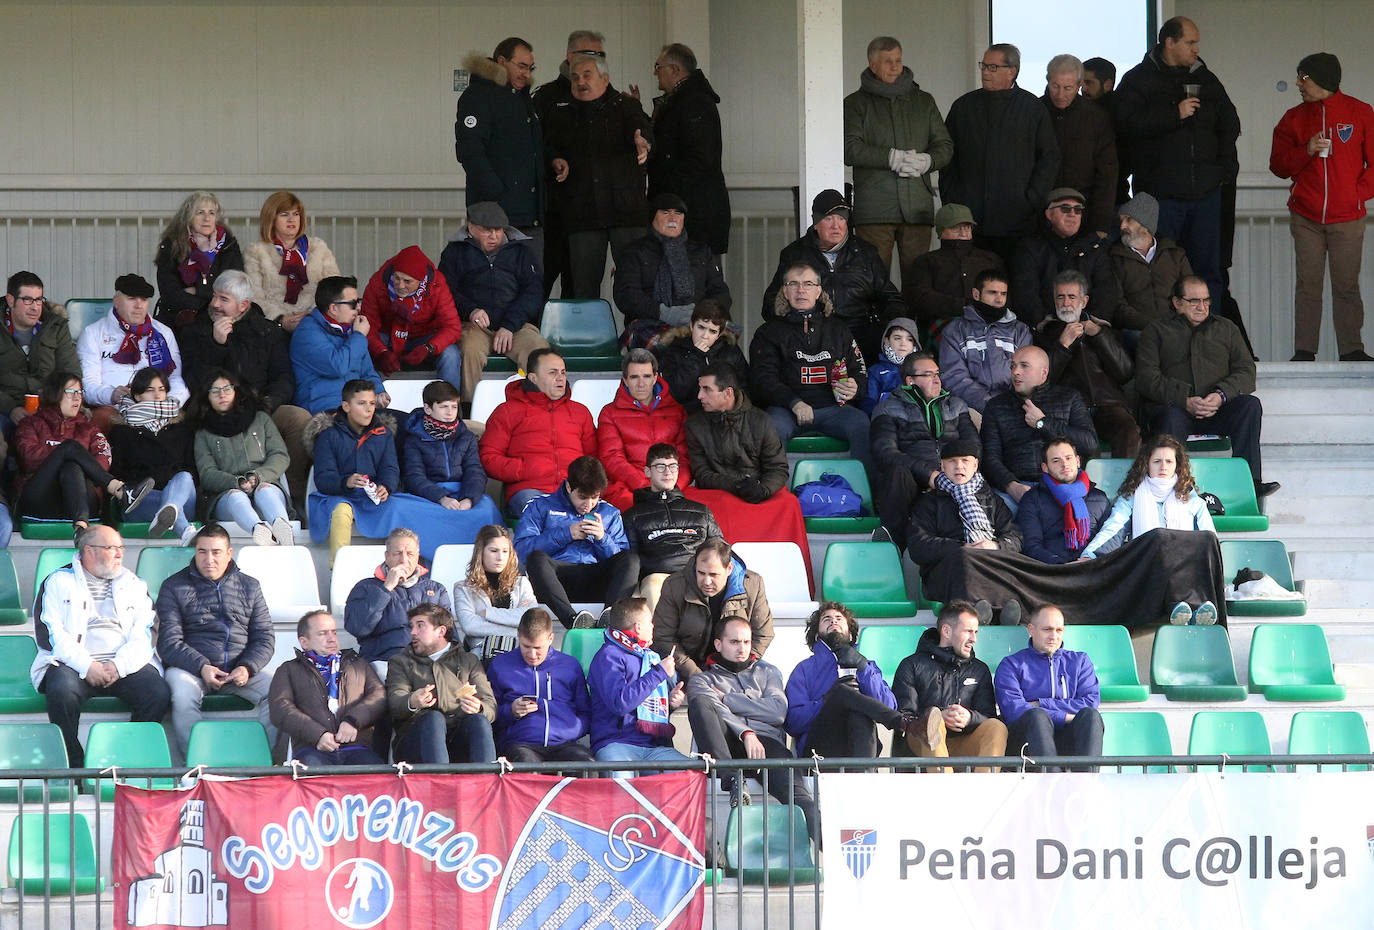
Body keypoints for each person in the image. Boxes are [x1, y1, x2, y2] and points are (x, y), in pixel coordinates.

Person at [1114, 16, 1240, 302]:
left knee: (1208, 272)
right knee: (1161, 271)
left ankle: (1211, 342)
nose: (1197, 49)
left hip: (1205, 195)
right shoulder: (1138, 80)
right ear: (1169, 42)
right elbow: (1124, 125)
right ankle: (1167, 342)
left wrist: (1222, 172)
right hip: (1161, 197)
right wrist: (1173, 115)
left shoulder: (1206, 79)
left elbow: (1230, 125)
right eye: (1190, 42)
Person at [32, 525, 170, 766]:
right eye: (111, 548)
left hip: (123, 665)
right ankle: (73, 765)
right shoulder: (57, 582)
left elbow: (146, 633)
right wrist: (87, 665)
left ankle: (124, 759)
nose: (119, 554)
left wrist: (118, 666)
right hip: (74, 665)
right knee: (61, 690)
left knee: (157, 693)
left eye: (121, 548)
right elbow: (51, 635)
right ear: (89, 550)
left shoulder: (135, 584)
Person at [1269, 52, 1374, 361]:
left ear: (1323, 80)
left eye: (1304, 78)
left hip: (1348, 217)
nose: (1299, 84)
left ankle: (1352, 350)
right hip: (1306, 216)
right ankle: (1304, 351)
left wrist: (1357, 194)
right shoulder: (1293, 118)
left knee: (1346, 285)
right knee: (1308, 285)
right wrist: (1307, 149)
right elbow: (1277, 165)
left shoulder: (1361, 112)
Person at [1136, 276, 1279, 497]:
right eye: (1194, 301)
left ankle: (1250, 483)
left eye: (1206, 300)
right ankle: (1173, 487)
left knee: (1250, 405)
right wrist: (1185, 399)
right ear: (1177, 303)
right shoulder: (1156, 331)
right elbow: (1147, 378)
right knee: (1168, 418)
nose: (1202, 307)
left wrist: (1221, 395)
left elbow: (1246, 371)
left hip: (1217, 409)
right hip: (1176, 410)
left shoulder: (1226, 328)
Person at [179, 269, 312, 502]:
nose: (215, 304)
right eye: (214, 296)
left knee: (297, 418)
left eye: (224, 299)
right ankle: (213, 497)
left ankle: (294, 497)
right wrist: (217, 345)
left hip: (262, 408)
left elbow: (284, 378)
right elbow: (194, 380)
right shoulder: (195, 331)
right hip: (216, 409)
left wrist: (267, 404)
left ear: (243, 305)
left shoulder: (268, 332)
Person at [156, 523, 276, 760]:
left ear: (229, 553)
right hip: (190, 670)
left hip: (240, 671)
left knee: (279, 692)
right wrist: (202, 667)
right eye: (202, 551)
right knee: (182, 695)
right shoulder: (174, 586)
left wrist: (247, 667)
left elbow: (264, 637)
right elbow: (169, 642)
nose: (208, 559)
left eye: (216, 552)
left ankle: (261, 762)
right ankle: (196, 767)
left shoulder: (250, 586)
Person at [685, 616, 816, 830]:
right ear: (718, 644)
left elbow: (777, 712)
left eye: (746, 642)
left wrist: (728, 700)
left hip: (767, 746)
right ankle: (732, 778)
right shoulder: (702, 680)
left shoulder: (768, 671)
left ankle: (834, 852)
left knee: (800, 800)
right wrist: (746, 732)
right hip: (725, 745)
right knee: (700, 703)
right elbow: (711, 710)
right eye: (734, 642)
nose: (742, 648)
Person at [843, 35, 953, 287]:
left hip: (917, 208)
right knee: (874, 283)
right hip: (874, 209)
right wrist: (889, 157)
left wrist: (928, 160)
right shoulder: (855, 103)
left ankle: (913, 328)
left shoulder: (923, 101)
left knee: (919, 283)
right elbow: (849, 149)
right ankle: (877, 328)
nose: (895, 66)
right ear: (872, 65)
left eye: (898, 60)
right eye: (887, 61)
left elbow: (945, 146)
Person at [1079, 435, 1224, 624]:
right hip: (1148, 568)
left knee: (1202, 540)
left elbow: (1209, 539)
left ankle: (1193, 609)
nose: (1163, 466)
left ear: (1177, 466)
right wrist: (1089, 555)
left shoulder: (1191, 498)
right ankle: (1179, 604)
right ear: (1146, 464)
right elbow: (1113, 529)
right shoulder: (1132, 495)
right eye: (1157, 461)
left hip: (1186, 567)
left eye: (1168, 461)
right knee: (1159, 538)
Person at [543, 53, 654, 298]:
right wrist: (555, 159)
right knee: (583, 288)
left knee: (636, 285)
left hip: (626, 214)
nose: (580, 81)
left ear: (605, 79)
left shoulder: (626, 107)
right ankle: (586, 336)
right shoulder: (562, 114)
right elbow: (548, 146)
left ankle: (636, 335)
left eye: (587, 75)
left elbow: (643, 129)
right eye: (574, 77)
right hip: (583, 214)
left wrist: (641, 139)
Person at [941, 43, 1060, 268]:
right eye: (984, 66)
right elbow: (947, 156)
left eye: (993, 67)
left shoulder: (1032, 108)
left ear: (1012, 71)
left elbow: (1049, 158)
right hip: (970, 220)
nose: (985, 72)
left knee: (1016, 286)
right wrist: (954, 198)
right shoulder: (964, 107)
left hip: (1018, 222)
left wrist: (1031, 200)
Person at [751, 260, 871, 470]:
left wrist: (855, 387)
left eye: (808, 284)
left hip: (833, 409)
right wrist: (794, 402)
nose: (801, 290)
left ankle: (869, 495)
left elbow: (858, 370)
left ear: (818, 291)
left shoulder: (838, 329)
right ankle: (775, 495)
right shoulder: (768, 332)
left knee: (861, 423)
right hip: (786, 410)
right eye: (793, 284)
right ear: (785, 292)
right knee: (770, 427)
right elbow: (763, 380)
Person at [759, 190, 905, 360]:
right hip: (814, 336)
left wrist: (889, 328)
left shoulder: (866, 252)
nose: (836, 226)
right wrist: (799, 324)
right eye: (829, 219)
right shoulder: (794, 254)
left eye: (841, 219)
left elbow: (891, 297)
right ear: (816, 223)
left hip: (861, 333)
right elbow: (772, 303)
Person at [14, 370, 151, 538]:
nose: (77, 398)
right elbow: (28, 459)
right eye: (71, 392)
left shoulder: (90, 429)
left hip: (84, 500)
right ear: (54, 393)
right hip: (40, 500)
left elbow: (102, 463)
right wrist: (63, 452)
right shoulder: (30, 424)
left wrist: (71, 459)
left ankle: (80, 526)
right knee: (70, 448)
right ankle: (119, 489)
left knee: (72, 467)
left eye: (80, 392)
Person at [437, 201, 550, 402]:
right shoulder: (454, 253)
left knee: (539, 351)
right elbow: (445, 292)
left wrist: (509, 324)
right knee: (469, 351)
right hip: (473, 326)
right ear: (471, 228)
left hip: (515, 327)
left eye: (498, 230)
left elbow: (533, 293)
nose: (494, 236)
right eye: (487, 231)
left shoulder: (521, 251)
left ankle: (541, 410)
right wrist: (471, 310)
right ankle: (470, 412)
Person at [514, 455, 639, 630]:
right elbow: (522, 551)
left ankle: (611, 618)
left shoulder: (610, 513)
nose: (588, 504)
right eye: (582, 497)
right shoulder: (540, 506)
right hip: (556, 580)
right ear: (568, 486)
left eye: (594, 497)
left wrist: (602, 539)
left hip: (597, 579)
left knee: (631, 558)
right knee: (536, 558)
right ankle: (573, 621)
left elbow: (622, 562)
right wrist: (567, 534)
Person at [906, 438, 1024, 621]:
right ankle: (979, 612)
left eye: (965, 461)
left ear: (975, 465)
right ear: (942, 466)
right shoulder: (928, 503)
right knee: (965, 558)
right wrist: (962, 547)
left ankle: (998, 610)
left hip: (991, 562)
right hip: (948, 571)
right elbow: (918, 546)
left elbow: (1015, 536)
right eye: (952, 461)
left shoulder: (993, 501)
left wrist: (995, 546)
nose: (959, 466)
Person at [869, 351, 977, 547]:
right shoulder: (887, 409)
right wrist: (930, 476)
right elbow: (885, 453)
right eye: (929, 375)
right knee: (896, 472)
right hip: (911, 484)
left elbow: (973, 447)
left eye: (937, 374)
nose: (937, 380)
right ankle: (894, 544)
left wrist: (949, 475)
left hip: (954, 477)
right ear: (910, 381)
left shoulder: (957, 405)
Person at [455, 37, 546, 265]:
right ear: (502, 61)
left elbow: (531, 147)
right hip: (493, 218)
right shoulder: (478, 96)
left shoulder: (523, 99)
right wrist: (497, 194)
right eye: (522, 66)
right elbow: (470, 150)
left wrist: (553, 158)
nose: (527, 74)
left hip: (529, 215)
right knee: (493, 287)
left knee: (531, 285)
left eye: (530, 68)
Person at [978, 345, 1098, 512]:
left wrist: (1043, 423)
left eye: (1024, 366)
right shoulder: (996, 406)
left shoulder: (1069, 397)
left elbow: (1089, 444)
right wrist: (1011, 486)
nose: (1015, 372)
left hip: (1064, 485)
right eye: (1013, 366)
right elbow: (990, 459)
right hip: (1017, 489)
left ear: (1043, 374)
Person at [783, 601, 909, 758]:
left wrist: (862, 667)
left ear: (850, 634)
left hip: (860, 745)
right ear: (816, 635)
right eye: (826, 619)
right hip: (819, 749)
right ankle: (904, 723)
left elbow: (889, 704)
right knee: (842, 692)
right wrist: (827, 699)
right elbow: (793, 722)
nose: (833, 620)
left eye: (838, 618)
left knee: (858, 712)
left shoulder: (867, 667)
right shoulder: (804, 669)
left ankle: (862, 775)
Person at [1035, 270, 1140, 458]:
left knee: (1128, 429)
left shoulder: (1102, 329)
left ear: (1084, 301)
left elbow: (1125, 372)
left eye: (1072, 297)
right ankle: (1087, 487)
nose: (1066, 303)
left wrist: (1098, 335)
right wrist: (1062, 345)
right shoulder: (1044, 334)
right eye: (1061, 297)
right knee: (1083, 443)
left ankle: (1127, 487)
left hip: (1107, 404)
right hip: (1069, 407)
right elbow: (1042, 381)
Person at [478, 347, 596, 514]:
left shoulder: (580, 412)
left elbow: (594, 458)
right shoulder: (507, 411)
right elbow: (488, 457)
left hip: (576, 491)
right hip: (529, 490)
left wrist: (584, 482)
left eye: (563, 372)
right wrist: (524, 469)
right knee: (545, 514)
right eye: (553, 373)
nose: (560, 378)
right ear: (533, 378)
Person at [891, 601, 1007, 768]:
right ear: (946, 631)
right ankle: (944, 790)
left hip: (964, 741)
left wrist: (970, 718)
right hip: (920, 742)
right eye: (968, 631)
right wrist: (939, 717)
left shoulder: (979, 669)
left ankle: (985, 790)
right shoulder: (911, 665)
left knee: (997, 727)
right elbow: (902, 716)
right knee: (934, 720)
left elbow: (988, 715)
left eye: (975, 632)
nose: (974, 639)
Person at [189, 368, 293, 546]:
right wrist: (235, 482)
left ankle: (284, 532)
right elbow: (207, 473)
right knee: (237, 496)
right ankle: (259, 531)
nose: (222, 394)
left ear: (236, 391)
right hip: (226, 495)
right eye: (215, 391)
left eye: (227, 388)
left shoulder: (260, 419)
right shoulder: (203, 433)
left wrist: (257, 477)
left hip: (266, 483)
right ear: (206, 397)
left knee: (265, 490)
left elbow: (280, 455)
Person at [268, 610, 386, 766]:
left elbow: (379, 696)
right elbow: (281, 709)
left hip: (358, 748)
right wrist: (318, 735)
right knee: (311, 775)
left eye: (334, 632)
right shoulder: (288, 670)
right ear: (305, 642)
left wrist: (353, 721)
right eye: (323, 634)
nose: (332, 639)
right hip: (312, 749)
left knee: (377, 773)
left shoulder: (358, 664)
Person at [646, 43, 731, 257]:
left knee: (697, 279)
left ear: (675, 70)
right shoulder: (686, 100)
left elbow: (700, 156)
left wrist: (667, 193)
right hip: (687, 207)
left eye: (658, 66)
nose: (655, 73)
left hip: (694, 211)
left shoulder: (693, 102)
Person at [993, 605, 1104, 770]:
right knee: (1036, 716)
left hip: (1067, 740)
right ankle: (1053, 780)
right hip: (1027, 743)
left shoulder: (1080, 661)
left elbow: (1090, 702)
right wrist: (1065, 716)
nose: (1054, 636)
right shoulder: (1011, 664)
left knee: (1090, 716)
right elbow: (1014, 710)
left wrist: (1042, 703)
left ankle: (1087, 782)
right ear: (1031, 629)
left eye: (1059, 630)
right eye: (1047, 629)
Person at [386, 603, 497, 764]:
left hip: (457, 737)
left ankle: (486, 782)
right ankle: (440, 782)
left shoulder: (468, 660)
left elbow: (491, 706)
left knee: (478, 720)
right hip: (416, 741)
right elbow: (395, 703)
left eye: (420, 626)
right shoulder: (400, 662)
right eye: (412, 626)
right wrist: (412, 701)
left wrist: (479, 708)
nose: (413, 632)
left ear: (441, 631)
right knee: (433, 718)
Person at [612, 193, 731, 344]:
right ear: (653, 217)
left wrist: (702, 315)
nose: (673, 218)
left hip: (700, 324)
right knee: (665, 349)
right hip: (650, 324)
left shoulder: (701, 251)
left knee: (730, 343)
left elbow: (721, 293)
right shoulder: (634, 252)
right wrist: (663, 313)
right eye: (665, 213)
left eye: (678, 213)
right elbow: (626, 295)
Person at [587, 597, 689, 771]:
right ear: (638, 627)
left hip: (654, 747)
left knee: (689, 775)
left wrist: (669, 703)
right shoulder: (608, 656)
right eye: (650, 622)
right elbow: (620, 703)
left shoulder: (649, 657)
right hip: (616, 744)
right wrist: (659, 673)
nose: (653, 626)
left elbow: (643, 703)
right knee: (622, 783)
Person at [651, 537, 774, 681]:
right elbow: (663, 637)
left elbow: (763, 634)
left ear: (729, 569)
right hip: (686, 665)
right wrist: (696, 675)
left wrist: (737, 669)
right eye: (701, 573)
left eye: (714, 575)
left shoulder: (753, 584)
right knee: (666, 674)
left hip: (735, 665)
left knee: (772, 673)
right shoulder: (674, 585)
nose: (707, 581)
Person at [485, 607, 594, 763]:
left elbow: (586, 712)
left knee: (587, 766)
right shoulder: (500, 665)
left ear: (551, 639)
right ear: (519, 636)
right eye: (526, 646)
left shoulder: (570, 665)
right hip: (520, 744)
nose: (532, 654)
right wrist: (511, 711)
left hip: (564, 743)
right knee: (526, 767)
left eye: (538, 648)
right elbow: (490, 715)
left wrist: (572, 730)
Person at [106, 366, 198, 545]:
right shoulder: (122, 432)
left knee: (185, 477)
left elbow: (192, 468)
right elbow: (117, 473)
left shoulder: (181, 428)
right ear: (137, 396)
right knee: (162, 501)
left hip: (183, 496)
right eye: (150, 390)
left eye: (162, 389)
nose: (157, 395)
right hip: (141, 501)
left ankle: (173, 514)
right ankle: (184, 529)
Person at [622, 443, 720, 609]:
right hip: (657, 577)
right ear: (647, 471)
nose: (668, 472)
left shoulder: (701, 511)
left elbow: (720, 548)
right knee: (652, 586)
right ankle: (659, 636)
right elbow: (630, 559)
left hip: (699, 574)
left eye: (673, 466)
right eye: (660, 466)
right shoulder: (632, 515)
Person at [1010, 187, 1121, 327]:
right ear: (1049, 214)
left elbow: (1106, 291)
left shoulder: (1094, 247)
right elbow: (1026, 295)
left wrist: (1091, 325)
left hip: (1089, 329)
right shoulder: (1030, 247)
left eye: (1078, 210)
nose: (1072, 214)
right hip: (1045, 331)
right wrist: (1047, 326)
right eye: (1065, 209)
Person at [344, 527, 452, 670]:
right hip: (384, 661)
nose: (404, 560)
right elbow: (358, 628)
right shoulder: (366, 587)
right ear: (387, 556)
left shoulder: (436, 589)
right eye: (397, 554)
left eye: (410, 554)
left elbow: (450, 635)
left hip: (430, 662)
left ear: (418, 556)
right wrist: (386, 588)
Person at [597, 349, 691, 511]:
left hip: (673, 484)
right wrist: (646, 486)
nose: (641, 384)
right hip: (630, 487)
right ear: (625, 380)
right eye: (634, 377)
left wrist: (674, 486)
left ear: (655, 378)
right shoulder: (609, 413)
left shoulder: (676, 411)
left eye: (646, 376)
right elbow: (612, 458)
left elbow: (685, 457)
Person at [78, 273, 189, 408]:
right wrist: (111, 395)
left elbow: (176, 378)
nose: (139, 305)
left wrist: (171, 403)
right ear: (116, 301)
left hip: (158, 406)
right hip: (113, 407)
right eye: (132, 299)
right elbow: (89, 386)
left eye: (144, 300)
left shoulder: (163, 333)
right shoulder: (93, 333)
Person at [360, 245, 462, 389]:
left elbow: (452, 327)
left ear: (421, 281)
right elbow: (367, 324)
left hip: (423, 339)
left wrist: (429, 348)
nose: (400, 285)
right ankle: (373, 401)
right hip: (387, 337)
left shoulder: (437, 285)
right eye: (396, 278)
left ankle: (448, 405)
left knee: (451, 354)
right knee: (361, 347)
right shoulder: (378, 282)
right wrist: (381, 351)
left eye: (407, 281)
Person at [685, 364, 789, 504]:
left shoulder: (761, 420)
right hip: (716, 494)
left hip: (758, 492)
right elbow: (702, 474)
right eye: (700, 389)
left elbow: (778, 468)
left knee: (789, 504)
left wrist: (763, 489)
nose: (699, 396)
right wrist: (738, 486)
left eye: (707, 389)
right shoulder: (694, 424)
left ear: (728, 393)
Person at [240, 191, 340, 333]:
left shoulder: (318, 248)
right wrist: (282, 319)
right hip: (273, 326)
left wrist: (312, 316)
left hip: (316, 323)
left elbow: (334, 291)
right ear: (271, 218)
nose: (291, 219)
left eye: (296, 214)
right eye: (284, 214)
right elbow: (255, 298)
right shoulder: (256, 251)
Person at [1041, 56, 1118, 237]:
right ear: (1047, 81)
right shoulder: (1035, 112)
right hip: (1040, 214)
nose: (1060, 94)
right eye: (1055, 86)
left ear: (1079, 85)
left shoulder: (1096, 118)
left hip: (1085, 214)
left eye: (1068, 88)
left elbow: (1107, 174)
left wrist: (1101, 224)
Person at [902, 203, 1004, 339]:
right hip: (944, 326)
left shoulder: (990, 260)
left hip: (990, 325)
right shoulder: (925, 262)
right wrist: (966, 306)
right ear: (941, 230)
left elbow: (1005, 296)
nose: (963, 232)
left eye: (967, 227)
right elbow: (922, 298)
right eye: (956, 228)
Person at [937, 270, 1032, 415]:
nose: (999, 300)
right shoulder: (954, 331)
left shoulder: (1020, 330)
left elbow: (1028, 374)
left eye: (1003, 294)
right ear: (976, 294)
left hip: (1014, 408)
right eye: (993, 293)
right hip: (971, 408)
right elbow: (954, 378)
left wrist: (1010, 406)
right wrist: (989, 405)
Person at [290, 276, 388, 415]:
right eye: (353, 304)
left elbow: (367, 371)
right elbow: (337, 367)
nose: (359, 308)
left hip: (356, 405)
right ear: (334, 308)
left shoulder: (351, 331)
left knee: (405, 423)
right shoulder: (307, 332)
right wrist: (359, 336)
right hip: (324, 408)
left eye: (359, 302)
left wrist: (378, 392)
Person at [0, 271, 81, 432]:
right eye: (27, 300)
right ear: (10, 300)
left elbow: (71, 373)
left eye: (39, 300)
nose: (35, 307)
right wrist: (11, 409)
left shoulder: (56, 326)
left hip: (49, 406)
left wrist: (52, 404)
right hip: (4, 409)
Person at [1014, 437, 1116, 564]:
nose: (1064, 464)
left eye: (1068, 458)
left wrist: (1091, 559)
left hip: (1093, 568)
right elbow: (1031, 546)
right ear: (1045, 468)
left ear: (1078, 461)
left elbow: (1111, 539)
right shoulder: (1032, 499)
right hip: (1051, 571)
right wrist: (1062, 566)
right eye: (1056, 461)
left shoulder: (1099, 498)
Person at [153, 191, 244, 330]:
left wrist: (199, 291)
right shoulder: (172, 245)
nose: (207, 218)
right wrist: (213, 299)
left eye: (212, 213)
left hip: (223, 317)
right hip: (181, 319)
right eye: (200, 212)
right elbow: (170, 293)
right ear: (188, 217)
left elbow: (235, 288)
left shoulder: (228, 245)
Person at [1109, 192, 1194, 331]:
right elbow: (1118, 306)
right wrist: (1153, 327)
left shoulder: (1175, 254)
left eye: (1128, 219)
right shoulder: (1114, 258)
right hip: (1136, 331)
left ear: (1145, 224)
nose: (1122, 226)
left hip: (1176, 329)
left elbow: (1191, 295)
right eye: (1121, 220)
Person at [453, 524, 538, 661]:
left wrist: (488, 613)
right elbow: (470, 626)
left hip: (518, 652)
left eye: (505, 551)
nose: (500, 557)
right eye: (494, 551)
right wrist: (518, 630)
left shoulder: (522, 583)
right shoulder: (463, 588)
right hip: (483, 655)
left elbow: (532, 620)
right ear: (481, 552)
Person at [400, 379, 487, 511]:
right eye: (443, 407)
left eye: (454, 406)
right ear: (428, 409)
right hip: (428, 496)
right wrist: (442, 498)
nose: (450, 412)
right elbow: (414, 476)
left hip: (462, 492)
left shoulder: (467, 437)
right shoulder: (414, 439)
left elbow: (475, 471)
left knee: (487, 509)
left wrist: (469, 499)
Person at [652, 299, 748, 416]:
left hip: (726, 417)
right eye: (701, 327)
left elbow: (745, 388)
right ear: (692, 325)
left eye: (712, 331)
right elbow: (674, 393)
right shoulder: (675, 349)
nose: (705, 336)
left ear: (719, 334)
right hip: (687, 417)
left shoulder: (730, 351)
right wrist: (695, 356)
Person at [860, 316, 919, 414]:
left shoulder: (921, 369)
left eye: (909, 339)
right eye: (897, 338)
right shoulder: (876, 371)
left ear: (915, 344)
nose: (903, 343)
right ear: (886, 341)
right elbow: (869, 401)